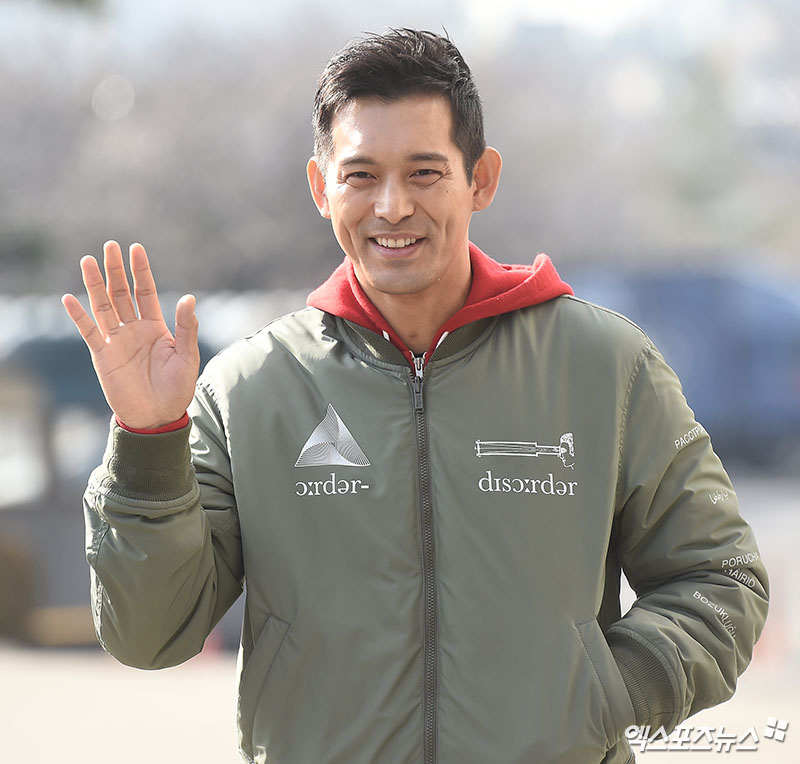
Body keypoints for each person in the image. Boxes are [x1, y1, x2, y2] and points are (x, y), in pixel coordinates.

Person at [61, 28, 768, 764]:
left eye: (425, 172)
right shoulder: (248, 391)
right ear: (320, 186)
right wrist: (148, 440)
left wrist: (600, 695)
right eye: (360, 175)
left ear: (481, 179)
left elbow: (721, 579)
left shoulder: (606, 367)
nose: (392, 207)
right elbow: (149, 634)